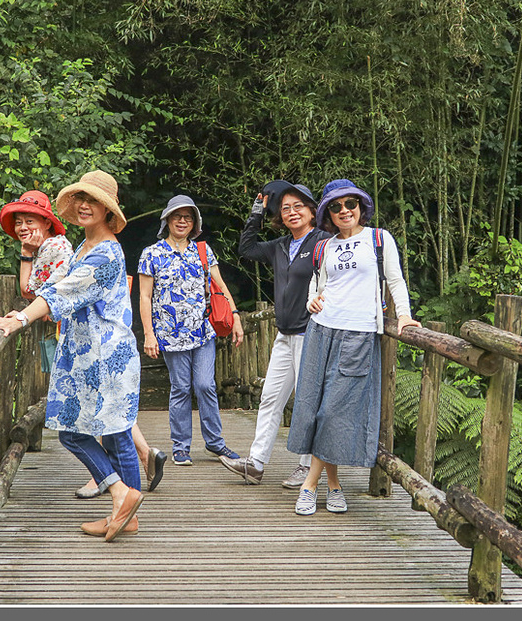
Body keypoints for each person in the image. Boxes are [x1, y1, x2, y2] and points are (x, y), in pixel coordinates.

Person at [0, 170, 144, 542]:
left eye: (92, 200)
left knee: (77, 434)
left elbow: (62, 294)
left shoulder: (106, 253)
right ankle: (124, 511)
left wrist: (20, 319)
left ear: (108, 211)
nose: (83, 205)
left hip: (105, 357)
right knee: (113, 436)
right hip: (87, 353)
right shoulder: (83, 247)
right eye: (80, 198)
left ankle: (120, 496)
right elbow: (48, 288)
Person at [286, 178, 421, 516]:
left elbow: (395, 279)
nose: (344, 211)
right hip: (321, 330)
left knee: (334, 412)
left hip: (359, 335)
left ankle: (309, 485)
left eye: (350, 204)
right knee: (316, 409)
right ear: (328, 214)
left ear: (361, 207)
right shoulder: (324, 246)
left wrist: (404, 315)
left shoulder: (378, 239)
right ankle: (333, 486)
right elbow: (316, 284)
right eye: (336, 206)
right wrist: (311, 300)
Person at [219, 181, 331, 488]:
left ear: (312, 211)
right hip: (284, 334)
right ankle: (255, 464)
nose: (292, 213)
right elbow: (246, 248)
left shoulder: (324, 241)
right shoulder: (280, 246)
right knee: (270, 398)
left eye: (298, 207)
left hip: (311, 333)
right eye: (285, 209)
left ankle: (307, 467)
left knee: (308, 402)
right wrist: (258, 207)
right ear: (279, 216)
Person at [138, 195, 244, 467]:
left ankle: (215, 443)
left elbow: (219, 286)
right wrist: (149, 334)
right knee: (181, 388)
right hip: (171, 334)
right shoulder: (152, 254)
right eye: (177, 216)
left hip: (203, 330)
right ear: (167, 220)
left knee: (205, 384)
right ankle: (181, 446)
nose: (182, 220)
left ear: (195, 223)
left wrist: (235, 317)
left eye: (188, 216)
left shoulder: (203, 251)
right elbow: (145, 297)